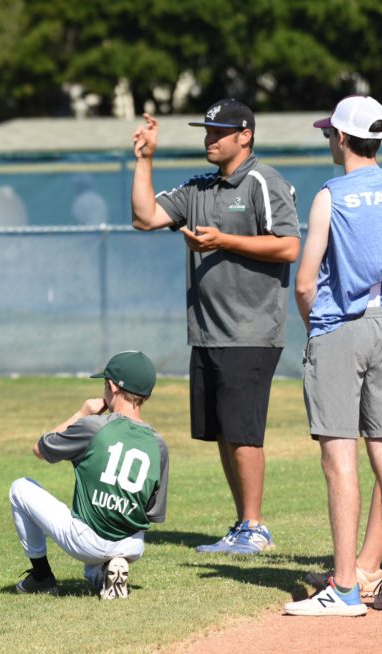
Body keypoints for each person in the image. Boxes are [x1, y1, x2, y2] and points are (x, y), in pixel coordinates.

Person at [131, 99, 300, 554]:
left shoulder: (265, 182)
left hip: (251, 330)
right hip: (208, 331)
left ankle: (255, 526)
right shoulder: (199, 187)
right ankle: (244, 524)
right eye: (206, 130)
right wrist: (144, 160)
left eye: (219, 131)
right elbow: (145, 218)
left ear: (245, 135)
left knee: (243, 429)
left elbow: (288, 247)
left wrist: (222, 240)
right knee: (225, 429)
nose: (210, 138)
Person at [284, 96, 382, 617]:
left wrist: (315, 330)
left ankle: (345, 589)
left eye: (330, 134)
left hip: (340, 327)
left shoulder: (331, 195)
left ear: (342, 139)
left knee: (339, 456)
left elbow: (305, 283)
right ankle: (367, 569)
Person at [9, 351, 169, 599]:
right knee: (96, 562)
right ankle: (107, 571)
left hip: (88, 541)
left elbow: (40, 449)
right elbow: (153, 512)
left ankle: (41, 576)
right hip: (132, 544)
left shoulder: (94, 426)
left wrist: (82, 414)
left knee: (20, 488)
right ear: (146, 394)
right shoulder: (158, 444)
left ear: (113, 386)